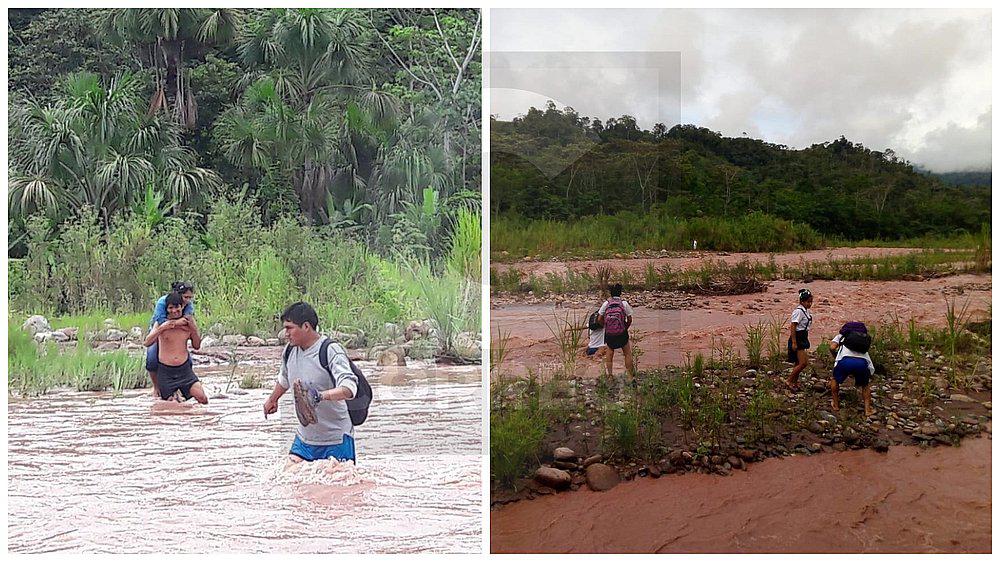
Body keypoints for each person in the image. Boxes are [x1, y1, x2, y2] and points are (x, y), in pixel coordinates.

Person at [263, 302, 359, 465]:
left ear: (306, 326)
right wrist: (272, 399)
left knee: (338, 486)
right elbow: (285, 379)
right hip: (304, 439)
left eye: (289, 328)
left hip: (336, 438)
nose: (285, 333)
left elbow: (350, 388)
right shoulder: (289, 351)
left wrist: (320, 396)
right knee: (289, 479)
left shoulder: (330, 351)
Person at [142, 291, 207, 403]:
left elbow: (196, 346)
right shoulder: (160, 324)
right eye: (170, 308)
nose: (174, 311)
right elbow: (147, 342)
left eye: (177, 307)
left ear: (182, 306)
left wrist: (193, 329)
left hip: (184, 370)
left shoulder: (188, 323)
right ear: (166, 309)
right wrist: (162, 328)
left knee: (202, 398)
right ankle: (157, 389)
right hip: (166, 372)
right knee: (171, 406)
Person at [146, 282, 195, 397]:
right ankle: (156, 387)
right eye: (185, 297)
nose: (188, 300)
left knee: (189, 361)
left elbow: (187, 320)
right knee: (152, 359)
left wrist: (174, 323)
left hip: (177, 333)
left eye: (190, 297)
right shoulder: (162, 302)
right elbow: (161, 321)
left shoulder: (189, 305)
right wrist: (177, 323)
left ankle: (185, 386)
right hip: (158, 331)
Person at [829, 322, 875, 417]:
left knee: (835, 379)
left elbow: (832, 347)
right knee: (865, 385)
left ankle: (836, 405)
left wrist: (835, 356)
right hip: (862, 363)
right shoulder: (863, 338)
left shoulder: (841, 336)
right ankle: (867, 410)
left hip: (845, 361)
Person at [598, 283, 636, 381]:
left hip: (610, 333)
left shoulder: (606, 304)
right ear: (620, 293)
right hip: (622, 332)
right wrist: (624, 327)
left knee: (610, 354)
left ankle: (610, 376)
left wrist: (606, 327)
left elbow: (599, 319)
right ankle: (630, 377)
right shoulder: (624, 304)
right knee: (627, 353)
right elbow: (630, 319)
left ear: (610, 293)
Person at [786, 288, 814, 391]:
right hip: (798, 337)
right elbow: (793, 325)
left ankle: (794, 382)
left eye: (811, 302)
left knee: (798, 363)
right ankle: (789, 380)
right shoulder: (799, 312)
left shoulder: (805, 311)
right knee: (803, 363)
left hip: (803, 336)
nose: (809, 304)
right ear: (802, 301)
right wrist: (794, 342)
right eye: (807, 302)